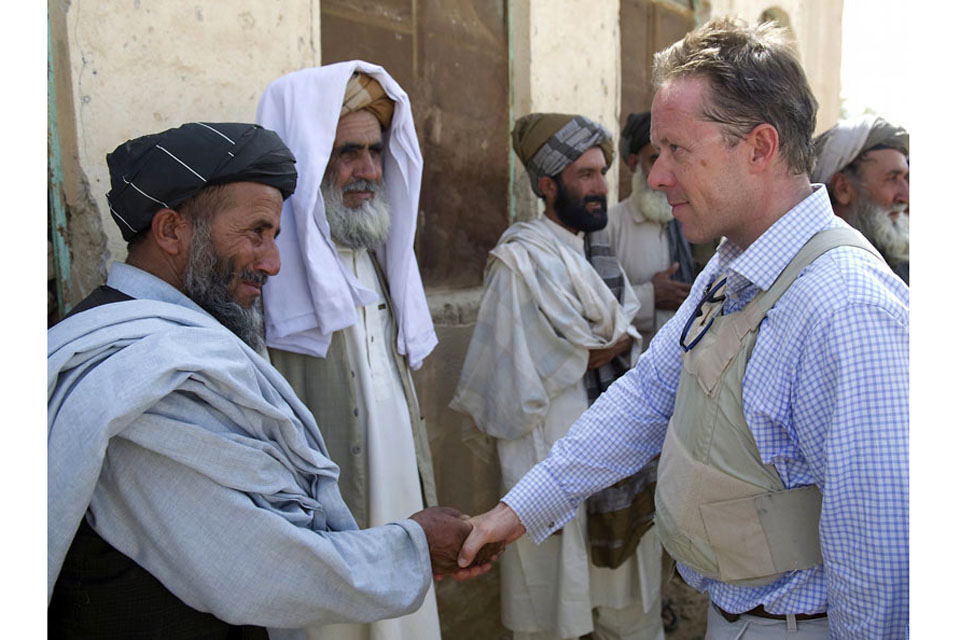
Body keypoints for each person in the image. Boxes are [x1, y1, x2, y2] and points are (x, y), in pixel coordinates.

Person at [458, 17, 909, 640]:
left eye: (678, 151)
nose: (658, 175)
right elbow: (648, 396)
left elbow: (883, 558)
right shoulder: (733, 266)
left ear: (759, 147)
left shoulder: (845, 308)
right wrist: (516, 513)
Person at [47, 122, 492, 640]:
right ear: (171, 231)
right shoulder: (132, 373)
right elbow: (254, 566)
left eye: (274, 236)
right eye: (255, 232)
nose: (273, 261)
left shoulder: (178, 342)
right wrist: (413, 545)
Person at [451, 112, 665, 640]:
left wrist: (607, 342)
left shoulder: (597, 255)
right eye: (584, 176)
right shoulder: (519, 261)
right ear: (548, 186)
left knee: (627, 599)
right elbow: (564, 357)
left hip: (613, 448)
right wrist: (606, 342)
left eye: (601, 173)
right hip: (547, 448)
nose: (598, 188)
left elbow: (615, 337)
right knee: (557, 606)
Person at [256, 61, 441, 640]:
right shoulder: (264, 284)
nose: (367, 170)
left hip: (397, 502)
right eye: (346, 153)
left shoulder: (381, 261)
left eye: (375, 151)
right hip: (323, 531)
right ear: (307, 163)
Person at [609, 111, 694, 350]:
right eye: (654, 158)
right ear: (634, 162)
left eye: (676, 158)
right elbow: (594, 306)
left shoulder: (696, 219)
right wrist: (650, 296)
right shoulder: (610, 226)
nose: (666, 174)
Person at [813, 115, 909, 283]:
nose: (906, 197)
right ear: (843, 188)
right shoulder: (821, 272)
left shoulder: (903, 267)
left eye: (905, 178)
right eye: (892, 178)